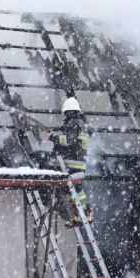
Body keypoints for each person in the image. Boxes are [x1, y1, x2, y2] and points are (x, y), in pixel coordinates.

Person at [47, 97, 93, 228]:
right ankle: (77, 215)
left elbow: (69, 141)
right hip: (75, 164)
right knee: (70, 192)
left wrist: (53, 137)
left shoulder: (73, 122)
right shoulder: (80, 122)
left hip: (72, 165)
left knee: (76, 191)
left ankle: (86, 213)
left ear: (67, 111)